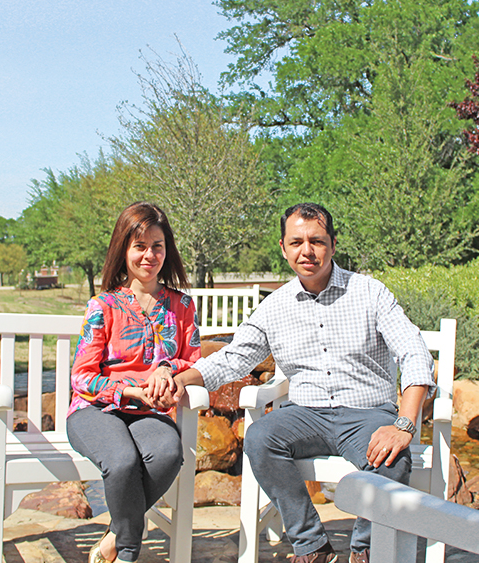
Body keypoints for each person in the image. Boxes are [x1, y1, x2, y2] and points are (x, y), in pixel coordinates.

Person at [156, 202, 435, 563]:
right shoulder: (275, 306)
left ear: (333, 244)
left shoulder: (370, 293)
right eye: (297, 242)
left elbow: (415, 353)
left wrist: (404, 424)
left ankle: (365, 550)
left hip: (367, 414)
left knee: (392, 458)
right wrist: (180, 379)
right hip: (306, 415)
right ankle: (312, 547)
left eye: (317, 241)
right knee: (260, 437)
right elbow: (234, 357)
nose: (307, 251)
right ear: (283, 248)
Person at [66, 202, 201, 563]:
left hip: (148, 412)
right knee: (123, 461)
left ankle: (116, 531)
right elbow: (81, 376)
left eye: (157, 246)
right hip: (96, 409)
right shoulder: (104, 305)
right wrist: (126, 389)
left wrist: (166, 369)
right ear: (123, 250)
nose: (149, 255)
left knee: (170, 454)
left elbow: (195, 361)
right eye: (139, 246)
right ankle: (127, 550)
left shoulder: (182, 306)